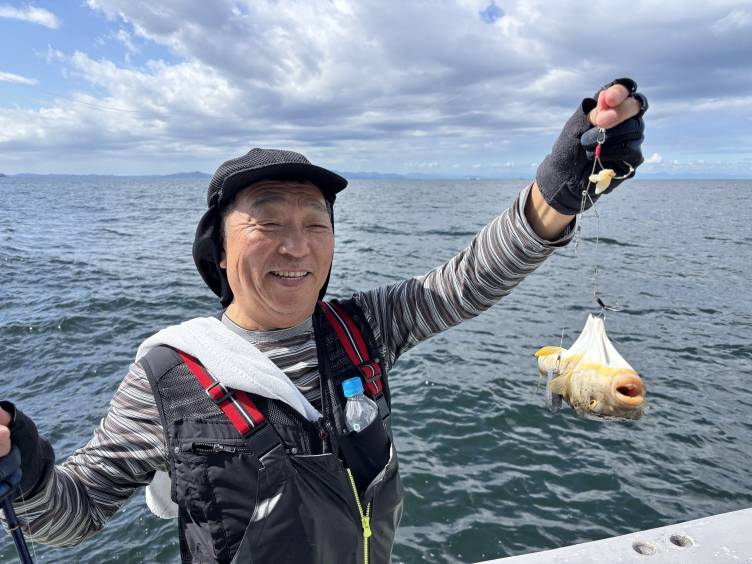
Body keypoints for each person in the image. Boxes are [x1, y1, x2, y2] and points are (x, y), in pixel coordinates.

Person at [0, 78, 647, 563]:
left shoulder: (362, 328)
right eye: (267, 222)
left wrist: (558, 193)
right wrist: (21, 464)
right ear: (218, 250)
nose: (297, 245)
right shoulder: (168, 374)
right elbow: (72, 515)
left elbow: (470, 278)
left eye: (316, 224)